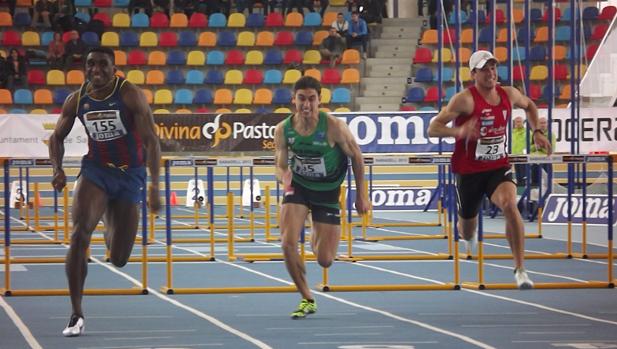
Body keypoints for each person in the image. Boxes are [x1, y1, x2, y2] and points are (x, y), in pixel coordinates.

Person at [48, 47, 161, 337]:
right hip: (96, 170)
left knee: (119, 258)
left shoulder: (130, 94)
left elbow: (151, 141)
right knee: (78, 234)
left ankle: (108, 223)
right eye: (90, 65)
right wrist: (57, 169)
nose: (96, 70)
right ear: (84, 68)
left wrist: (155, 186)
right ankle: (76, 313)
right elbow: (56, 137)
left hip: (129, 175)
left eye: (102, 65)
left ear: (114, 69)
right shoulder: (77, 99)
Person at [428, 50, 552, 290]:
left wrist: (537, 131)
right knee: (466, 228)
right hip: (468, 171)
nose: (491, 73)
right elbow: (433, 128)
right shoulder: (464, 100)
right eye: (485, 69)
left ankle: (520, 269)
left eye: (493, 68)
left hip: (498, 166)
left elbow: (530, 105)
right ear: (473, 73)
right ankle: (467, 234)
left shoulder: (508, 93)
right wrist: (459, 132)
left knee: (509, 203)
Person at [274, 76, 369, 318]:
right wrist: (283, 176)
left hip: (327, 190)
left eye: (311, 99)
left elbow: (357, 158)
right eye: (301, 99)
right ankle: (307, 297)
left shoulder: (334, 126)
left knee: (325, 260)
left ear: (320, 100)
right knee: (287, 243)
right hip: (299, 186)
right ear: (293, 100)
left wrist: (361, 195)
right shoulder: (283, 130)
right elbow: (280, 164)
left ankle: (315, 229)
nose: (306, 105)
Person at [529, 116, 556, 186]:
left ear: (547, 124)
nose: (543, 124)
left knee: (548, 182)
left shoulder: (551, 135)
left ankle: (548, 194)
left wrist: (540, 147)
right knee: (535, 182)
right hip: (535, 161)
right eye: (541, 123)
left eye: (544, 123)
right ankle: (535, 194)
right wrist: (535, 147)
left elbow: (552, 149)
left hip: (547, 160)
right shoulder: (533, 135)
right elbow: (528, 148)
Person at [510, 115, 527, 186]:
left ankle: (524, 187)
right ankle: (519, 187)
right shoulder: (513, 133)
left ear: (523, 122)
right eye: (517, 122)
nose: (518, 123)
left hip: (523, 156)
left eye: (520, 122)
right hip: (515, 156)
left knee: (524, 175)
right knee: (518, 175)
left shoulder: (527, 132)